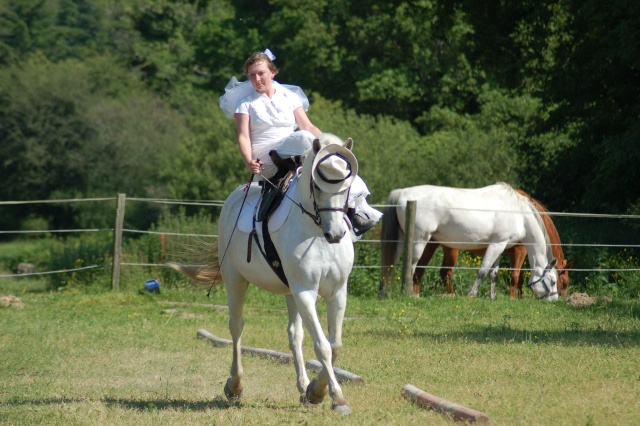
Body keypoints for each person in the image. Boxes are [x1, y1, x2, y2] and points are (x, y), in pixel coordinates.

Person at [219, 49, 381, 236]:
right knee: (304, 138)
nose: (257, 79)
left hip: (293, 148)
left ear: (272, 72)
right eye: (252, 75)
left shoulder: (289, 96)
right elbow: (243, 136)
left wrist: (332, 146)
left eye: (261, 73)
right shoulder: (245, 104)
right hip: (267, 157)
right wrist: (248, 161)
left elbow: (308, 126)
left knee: (335, 157)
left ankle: (359, 208)